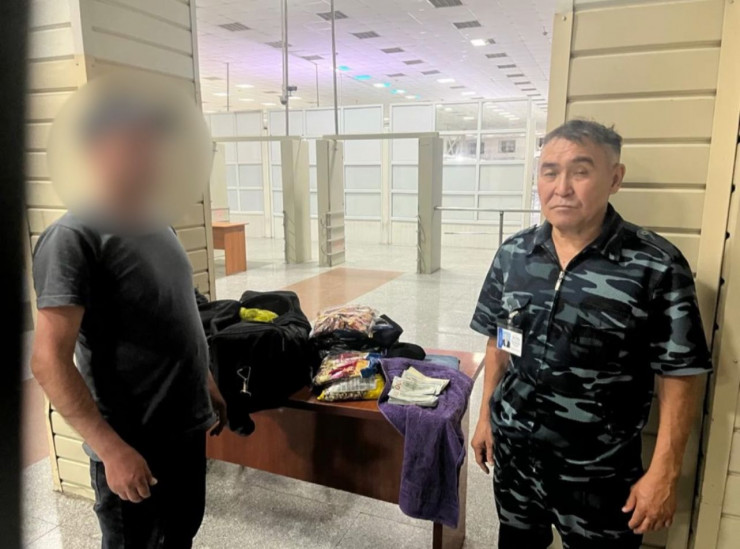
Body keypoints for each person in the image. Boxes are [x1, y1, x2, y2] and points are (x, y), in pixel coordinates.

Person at [470, 119, 711, 548]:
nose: (561, 187)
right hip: (516, 461)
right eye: (549, 172)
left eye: (580, 172)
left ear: (614, 178)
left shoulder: (654, 265)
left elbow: (680, 373)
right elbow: (499, 341)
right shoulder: (515, 254)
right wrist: (486, 417)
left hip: (600, 476)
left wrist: (665, 472)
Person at [30, 93, 228, 549]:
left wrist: (206, 379)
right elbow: (48, 361)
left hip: (183, 432)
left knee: (179, 536)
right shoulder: (73, 237)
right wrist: (111, 450)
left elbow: (176, 311)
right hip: (134, 443)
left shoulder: (158, 223)